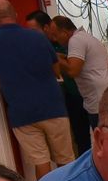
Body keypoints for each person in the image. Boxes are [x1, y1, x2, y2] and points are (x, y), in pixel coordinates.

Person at [0, 0, 72, 181]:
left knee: (41, 162)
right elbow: (56, 70)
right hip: (52, 106)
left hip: (21, 112)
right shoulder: (37, 37)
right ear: (14, 13)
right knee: (65, 160)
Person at [26, 10, 92, 156]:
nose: (31, 34)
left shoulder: (69, 41)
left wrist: (54, 57)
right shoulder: (41, 46)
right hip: (69, 95)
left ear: (46, 28)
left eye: (34, 30)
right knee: (80, 138)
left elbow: (70, 69)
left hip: (86, 93)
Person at [50, 15, 108, 137]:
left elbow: (73, 70)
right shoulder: (86, 37)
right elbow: (80, 61)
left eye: (55, 35)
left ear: (64, 32)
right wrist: (62, 57)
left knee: (104, 141)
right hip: (104, 96)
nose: (55, 39)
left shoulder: (76, 40)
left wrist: (52, 56)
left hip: (97, 100)